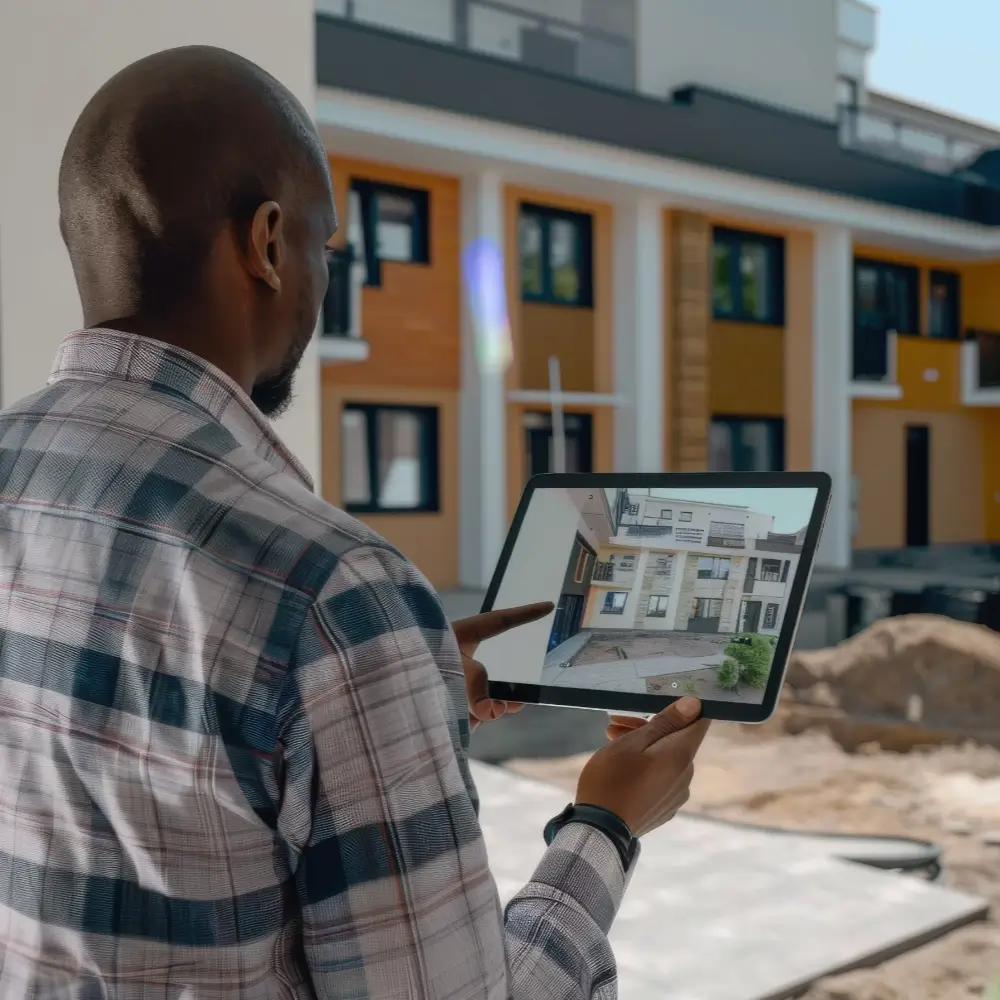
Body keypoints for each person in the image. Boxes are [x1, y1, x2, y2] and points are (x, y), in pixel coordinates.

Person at [0, 46, 710, 999]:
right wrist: (606, 827)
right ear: (265, 242)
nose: (324, 282)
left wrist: (387, 693)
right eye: (326, 250)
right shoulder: (332, 594)